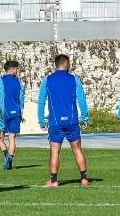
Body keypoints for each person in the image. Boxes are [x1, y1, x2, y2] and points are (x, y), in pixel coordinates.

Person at [38, 53, 92, 187]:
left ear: (56, 65)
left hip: (55, 122)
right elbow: (82, 99)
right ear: (66, 64)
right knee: (77, 149)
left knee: (55, 151)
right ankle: (84, 179)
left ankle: (54, 180)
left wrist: (41, 120)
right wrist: (85, 118)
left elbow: (41, 101)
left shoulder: (47, 80)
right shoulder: (74, 79)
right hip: (72, 121)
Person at [0, 59, 25, 169]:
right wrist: (21, 113)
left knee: (0, 137)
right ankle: (8, 158)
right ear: (12, 69)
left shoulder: (0, 81)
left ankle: (7, 156)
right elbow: (21, 99)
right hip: (15, 112)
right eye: (16, 69)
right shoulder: (18, 82)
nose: (17, 71)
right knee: (12, 138)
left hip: (3, 112)